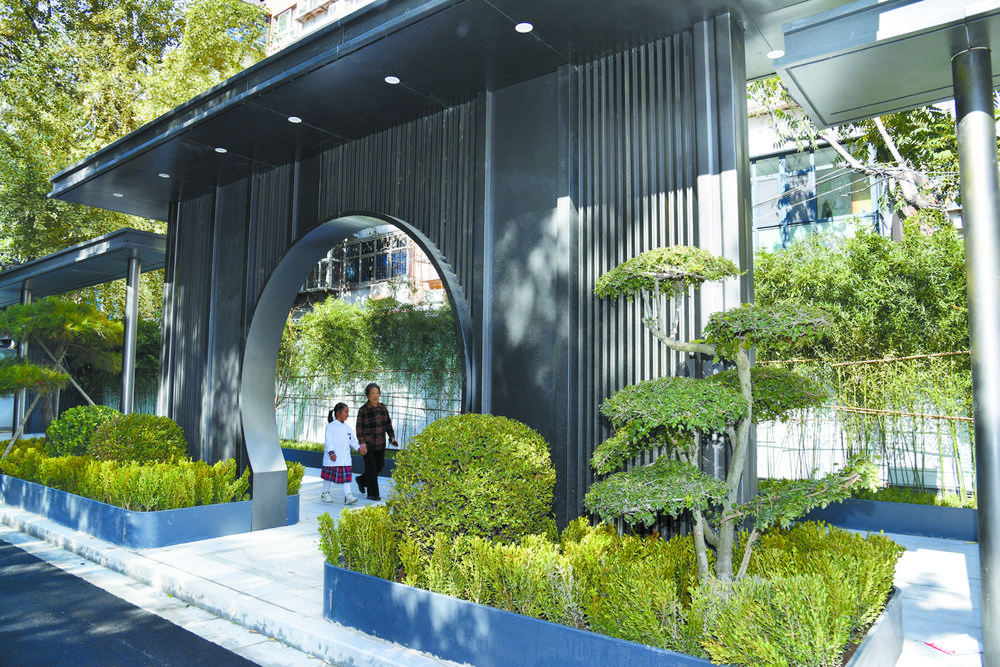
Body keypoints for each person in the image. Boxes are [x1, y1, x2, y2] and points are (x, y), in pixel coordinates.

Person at [355, 382, 397, 501]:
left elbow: (388, 424)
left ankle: (362, 480)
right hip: (368, 445)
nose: (375, 396)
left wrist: (392, 437)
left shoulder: (383, 408)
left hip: (380, 444)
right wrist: (362, 443)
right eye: (372, 393)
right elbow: (359, 428)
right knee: (372, 469)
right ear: (367, 395)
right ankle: (372, 494)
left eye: (377, 393)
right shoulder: (363, 410)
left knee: (380, 466)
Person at [321, 402, 366, 505]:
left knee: (347, 478)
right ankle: (325, 493)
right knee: (328, 477)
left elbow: (352, 441)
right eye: (346, 412)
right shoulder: (330, 427)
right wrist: (331, 453)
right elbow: (328, 441)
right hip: (333, 458)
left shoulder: (347, 428)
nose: (347, 414)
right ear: (338, 413)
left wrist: (359, 448)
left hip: (345, 458)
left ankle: (348, 496)